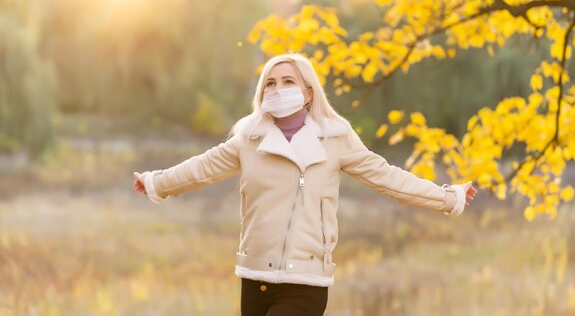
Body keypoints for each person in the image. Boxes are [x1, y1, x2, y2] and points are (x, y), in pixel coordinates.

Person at [133, 53, 477, 316]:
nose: (278, 89)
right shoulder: (248, 139)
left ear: (308, 93)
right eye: (270, 82)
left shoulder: (336, 138)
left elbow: (388, 178)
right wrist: (155, 182)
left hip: (307, 280)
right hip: (254, 276)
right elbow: (200, 169)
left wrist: (449, 197)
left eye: (288, 82)